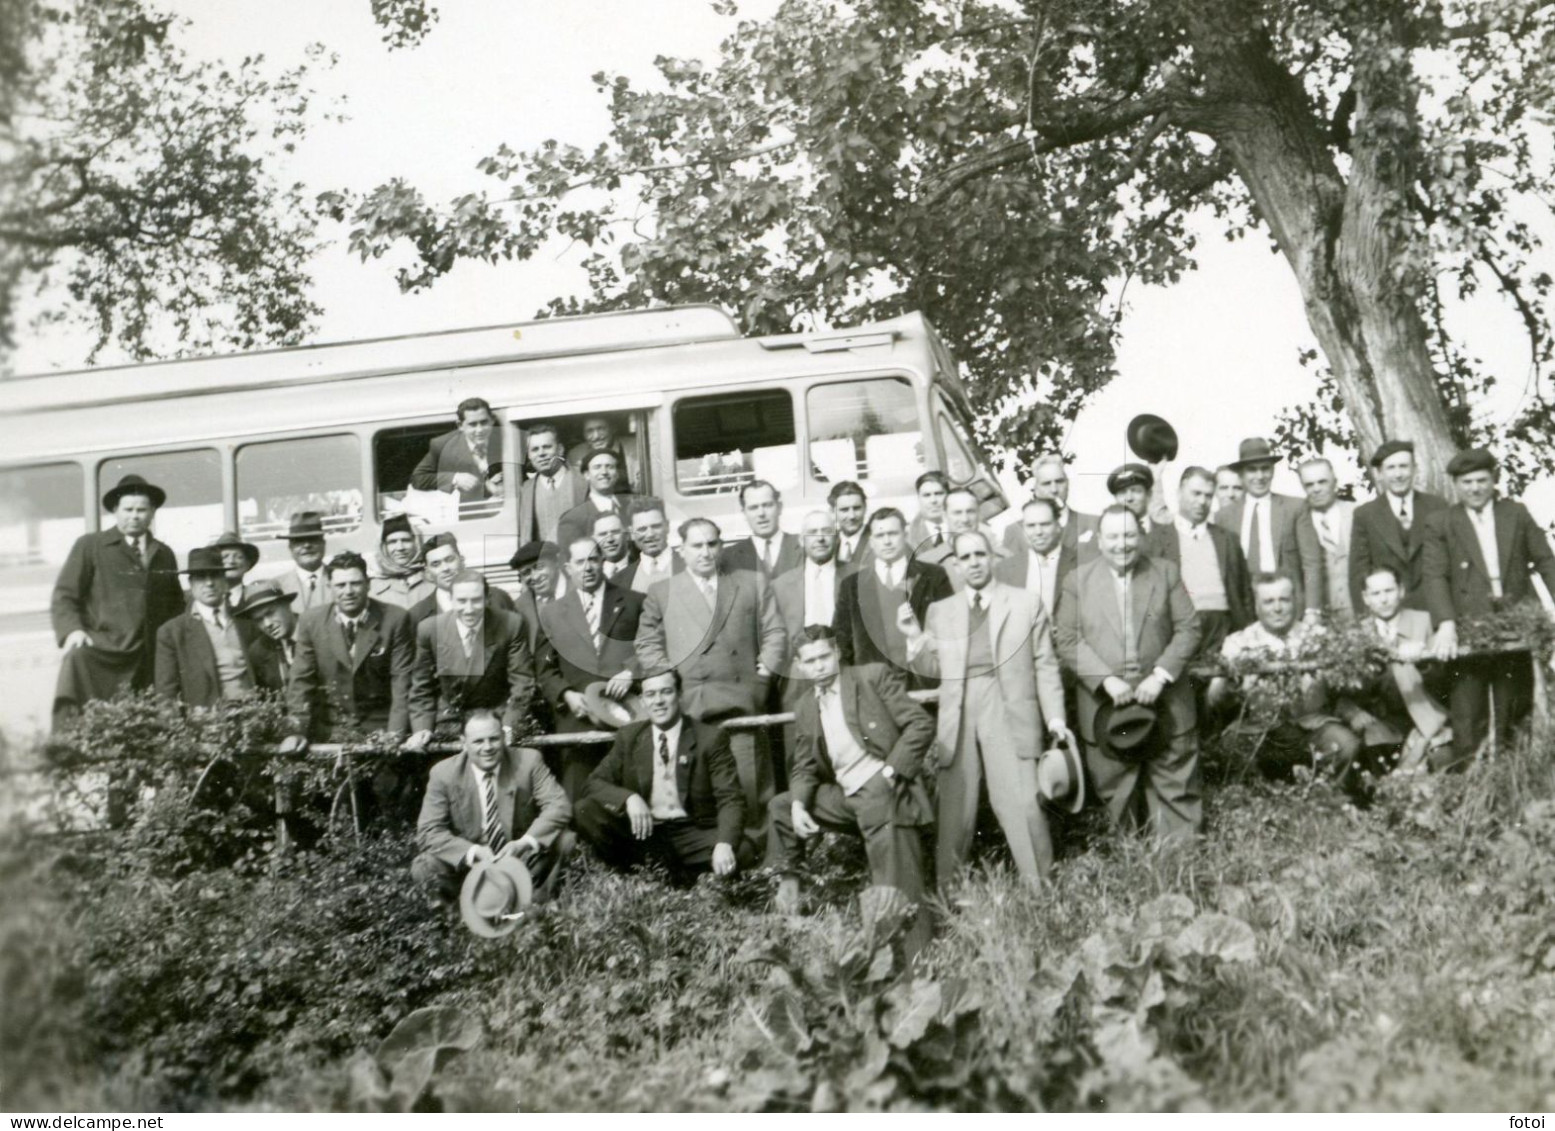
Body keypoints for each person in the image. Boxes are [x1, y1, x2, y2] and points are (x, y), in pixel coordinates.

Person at [905, 531, 1071, 887]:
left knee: (1022, 801)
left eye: (980, 554)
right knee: (954, 809)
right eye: (965, 558)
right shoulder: (940, 611)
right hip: (959, 709)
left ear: (993, 557)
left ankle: (1042, 891)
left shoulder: (1025, 603)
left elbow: (1045, 665)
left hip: (1007, 703)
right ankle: (947, 899)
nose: (974, 563)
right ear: (956, 565)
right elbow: (932, 671)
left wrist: (1055, 718)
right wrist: (913, 639)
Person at [768, 626, 934, 941]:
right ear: (801, 666)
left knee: (896, 889)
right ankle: (789, 895)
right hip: (846, 796)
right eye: (810, 661)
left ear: (838, 653)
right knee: (782, 806)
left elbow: (920, 724)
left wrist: (890, 773)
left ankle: (915, 964)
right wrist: (800, 805)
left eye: (824, 657)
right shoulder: (805, 705)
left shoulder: (871, 678)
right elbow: (804, 765)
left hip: (882, 789)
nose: (818, 666)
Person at [1057, 505, 1203, 842]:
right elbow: (1066, 638)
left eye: (1128, 535)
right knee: (1117, 800)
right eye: (1113, 536)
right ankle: (1132, 881)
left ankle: (1182, 878)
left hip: (1167, 706)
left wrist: (1160, 676)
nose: (1121, 544)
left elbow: (1189, 629)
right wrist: (1105, 680)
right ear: (1099, 539)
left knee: (1176, 793)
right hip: (1106, 711)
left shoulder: (1164, 572)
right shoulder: (1078, 580)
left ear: (1140, 536)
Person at [1422, 447, 1555, 765]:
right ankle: (1472, 793)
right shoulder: (1441, 522)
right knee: (1469, 714)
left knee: (1515, 709)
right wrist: (1446, 623)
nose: (1475, 488)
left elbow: (1546, 560)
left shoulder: (1516, 513)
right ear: (1455, 484)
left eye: (1482, 480)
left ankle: (1516, 784)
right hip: (1468, 626)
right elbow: (1434, 575)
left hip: (1515, 622)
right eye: (1467, 482)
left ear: (1494, 479)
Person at [574, 669, 756, 881]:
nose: (658, 701)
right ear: (642, 701)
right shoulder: (630, 736)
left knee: (741, 849)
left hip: (692, 833)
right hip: (646, 833)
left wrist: (724, 844)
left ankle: (672, 876)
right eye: (650, 695)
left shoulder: (710, 738)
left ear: (679, 695)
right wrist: (628, 799)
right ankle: (635, 873)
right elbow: (594, 782)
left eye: (666, 692)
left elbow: (731, 798)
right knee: (584, 809)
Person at [1209, 572, 1374, 796]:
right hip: (1261, 728)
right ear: (1257, 606)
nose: (1277, 608)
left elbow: (1342, 687)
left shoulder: (1317, 636)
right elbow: (1214, 701)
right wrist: (1232, 686)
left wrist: (1351, 707)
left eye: (1284, 600)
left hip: (1311, 725)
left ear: (1295, 601)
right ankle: (1252, 809)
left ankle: (1328, 805)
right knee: (1232, 746)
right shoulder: (1239, 642)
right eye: (1269, 601)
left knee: (1345, 744)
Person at [50, 474, 184, 727]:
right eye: (128, 509)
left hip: (150, 655)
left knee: (149, 723)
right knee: (95, 717)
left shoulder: (163, 553)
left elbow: (175, 604)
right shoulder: (91, 546)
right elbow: (65, 595)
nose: (134, 516)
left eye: (142, 510)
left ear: (153, 512)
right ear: (115, 510)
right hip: (106, 651)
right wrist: (73, 630)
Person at [411, 710, 573, 907]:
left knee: (566, 840)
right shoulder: (443, 774)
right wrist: (472, 851)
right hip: (469, 867)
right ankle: (456, 916)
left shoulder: (528, 761)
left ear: (504, 737)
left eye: (494, 739)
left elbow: (558, 805)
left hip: (519, 860)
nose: (487, 748)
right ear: (464, 742)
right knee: (424, 865)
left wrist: (523, 843)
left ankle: (537, 902)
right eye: (478, 741)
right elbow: (429, 831)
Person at [634, 517, 786, 723]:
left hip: (745, 699)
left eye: (711, 544)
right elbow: (647, 643)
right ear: (681, 550)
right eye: (697, 546)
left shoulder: (751, 582)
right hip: (691, 704)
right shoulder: (662, 592)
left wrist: (763, 675)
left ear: (721, 546)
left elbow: (774, 631)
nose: (705, 553)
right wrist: (670, 681)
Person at [536, 537, 646, 798]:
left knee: (631, 794)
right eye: (580, 561)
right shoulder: (552, 613)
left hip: (627, 715)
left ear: (603, 562)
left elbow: (653, 647)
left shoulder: (634, 602)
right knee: (581, 798)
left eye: (593, 560)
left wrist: (631, 671)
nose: (588, 567)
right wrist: (566, 695)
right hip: (577, 721)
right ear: (567, 567)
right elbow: (545, 669)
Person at [287, 551, 415, 741]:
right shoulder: (311, 621)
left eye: (355, 583)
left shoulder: (395, 619)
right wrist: (296, 732)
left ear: (368, 584)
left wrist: (393, 736)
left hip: (381, 726)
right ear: (329, 586)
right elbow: (301, 682)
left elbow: (401, 684)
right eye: (340, 585)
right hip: (332, 729)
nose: (348, 591)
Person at [405, 567, 536, 750]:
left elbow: (522, 681)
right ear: (450, 599)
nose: (469, 610)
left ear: (487, 599)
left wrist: (508, 726)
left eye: (476, 601)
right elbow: (421, 687)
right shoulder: (430, 629)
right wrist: (422, 729)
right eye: (461, 601)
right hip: (450, 721)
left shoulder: (511, 624)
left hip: (496, 718)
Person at [833, 508, 954, 687]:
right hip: (874, 690)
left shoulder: (934, 576)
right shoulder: (851, 585)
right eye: (880, 536)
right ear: (871, 541)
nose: (887, 541)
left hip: (925, 685)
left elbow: (951, 633)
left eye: (893, 533)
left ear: (905, 535)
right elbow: (842, 644)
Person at [1349, 565, 1452, 770]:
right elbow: (1350, 689)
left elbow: (1444, 680)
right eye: (1376, 593)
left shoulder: (1423, 621)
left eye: (1389, 591)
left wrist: (1422, 661)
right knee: (1374, 748)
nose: (1384, 599)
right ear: (1365, 598)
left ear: (1401, 591)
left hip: (1424, 711)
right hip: (1384, 718)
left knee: (1443, 757)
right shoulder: (1357, 633)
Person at [1143, 466, 1253, 655]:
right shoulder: (1156, 540)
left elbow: (1245, 593)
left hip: (1223, 631)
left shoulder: (1227, 539)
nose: (1202, 501)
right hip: (1178, 631)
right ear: (1179, 493)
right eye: (1196, 493)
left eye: (1208, 496)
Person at [155, 546, 282, 708]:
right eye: (201, 577)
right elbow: (166, 693)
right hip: (206, 723)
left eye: (214, 576)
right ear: (191, 583)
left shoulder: (246, 624)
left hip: (253, 716)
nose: (209, 583)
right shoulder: (172, 632)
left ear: (224, 581)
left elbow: (270, 679)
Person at [1214, 437, 1323, 618]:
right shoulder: (1224, 516)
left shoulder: (1295, 508)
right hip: (1244, 609)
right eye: (1252, 470)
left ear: (1272, 471)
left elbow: (1311, 563)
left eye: (1265, 468)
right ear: (1241, 474)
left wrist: (1312, 610)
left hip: (1287, 605)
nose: (1259, 476)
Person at [1348, 439, 1448, 612]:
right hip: (1389, 613)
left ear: (1414, 469)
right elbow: (1359, 572)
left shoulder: (1437, 506)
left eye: (1403, 466)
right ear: (1379, 474)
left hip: (1434, 609)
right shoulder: (1365, 514)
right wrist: (1365, 618)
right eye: (1391, 468)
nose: (1398, 474)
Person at [770, 510, 848, 711]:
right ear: (802, 540)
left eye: (827, 531)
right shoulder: (780, 586)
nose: (820, 538)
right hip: (799, 679)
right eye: (813, 532)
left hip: (847, 671)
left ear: (837, 537)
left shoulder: (858, 575)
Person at [407, 532, 519, 627]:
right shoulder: (417, 616)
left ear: (462, 560)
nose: (445, 568)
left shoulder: (498, 599)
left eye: (450, 559)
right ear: (428, 573)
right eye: (436, 564)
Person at [1001, 454, 1099, 562]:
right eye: (1046, 483)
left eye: (1059, 482)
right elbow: (1010, 575)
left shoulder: (1093, 524)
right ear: (1035, 489)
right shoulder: (1015, 532)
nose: (1054, 490)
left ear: (1068, 484)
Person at [410, 397, 504, 506]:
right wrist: (456, 478)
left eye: (484, 422)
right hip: (469, 513)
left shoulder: (507, 439)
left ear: (492, 420)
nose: (480, 430)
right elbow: (418, 478)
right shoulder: (443, 445)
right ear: (460, 425)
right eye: (472, 424)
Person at [1295, 458, 1357, 621]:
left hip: (1358, 611)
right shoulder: (1297, 520)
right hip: (1317, 618)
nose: (1316, 489)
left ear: (1334, 482)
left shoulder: (1357, 514)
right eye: (1309, 484)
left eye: (1322, 482)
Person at [995, 497, 1074, 623]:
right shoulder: (1003, 571)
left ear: (1058, 526)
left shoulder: (1081, 563)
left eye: (1045, 524)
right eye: (1031, 526)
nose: (1038, 532)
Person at [518, 422, 587, 545]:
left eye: (547, 447)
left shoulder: (584, 482)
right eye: (535, 449)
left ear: (560, 449)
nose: (541, 453)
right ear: (529, 455)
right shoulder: (525, 490)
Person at [720, 480, 803, 580]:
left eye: (767, 505)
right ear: (744, 513)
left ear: (779, 507)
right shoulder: (728, 557)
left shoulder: (804, 546)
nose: (761, 513)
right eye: (753, 508)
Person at [231, 579, 300, 687]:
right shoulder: (258, 652)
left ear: (287, 605)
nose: (267, 624)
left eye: (270, 613)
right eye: (259, 620)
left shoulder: (318, 632)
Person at [557, 449, 627, 552]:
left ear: (617, 474)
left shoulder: (630, 509)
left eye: (609, 467)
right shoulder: (572, 519)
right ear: (586, 475)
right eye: (597, 467)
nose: (604, 472)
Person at [369, 514, 435, 610]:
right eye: (392, 542)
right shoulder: (372, 586)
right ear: (383, 547)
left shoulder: (432, 576)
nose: (400, 548)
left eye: (406, 540)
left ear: (416, 543)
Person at [619, 497, 682, 594]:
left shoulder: (691, 567)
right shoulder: (620, 581)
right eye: (642, 529)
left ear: (667, 526)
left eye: (656, 526)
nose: (650, 534)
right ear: (632, 533)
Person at [275, 512, 334, 612]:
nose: (307, 545)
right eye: (299, 541)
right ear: (290, 547)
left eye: (313, 539)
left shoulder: (342, 580)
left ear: (323, 544)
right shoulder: (277, 587)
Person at [566, 414, 636, 492]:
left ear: (613, 429)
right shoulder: (575, 455)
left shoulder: (635, 447)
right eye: (589, 431)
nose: (596, 436)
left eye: (601, 429)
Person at [209, 531, 260, 612]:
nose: (231, 561)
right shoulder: (203, 599)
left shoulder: (255, 598)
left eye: (238, 557)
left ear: (247, 564)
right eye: (225, 557)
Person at [906, 470, 951, 556]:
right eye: (927, 495)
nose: (933, 500)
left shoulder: (964, 528)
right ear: (919, 498)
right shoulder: (908, 538)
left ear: (948, 495)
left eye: (938, 494)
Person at [828, 480, 871, 567]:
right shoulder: (828, 542)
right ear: (832, 512)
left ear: (865, 508)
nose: (852, 516)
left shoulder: (878, 538)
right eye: (844, 510)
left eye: (856, 508)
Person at [510, 540, 566, 605]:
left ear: (556, 562)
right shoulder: (521, 606)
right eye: (526, 573)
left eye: (539, 567)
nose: (535, 577)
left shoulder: (578, 589)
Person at [590, 510, 634, 583]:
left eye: (615, 532)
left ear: (627, 535)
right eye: (603, 534)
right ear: (594, 540)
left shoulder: (642, 567)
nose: (610, 539)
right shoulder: (588, 574)